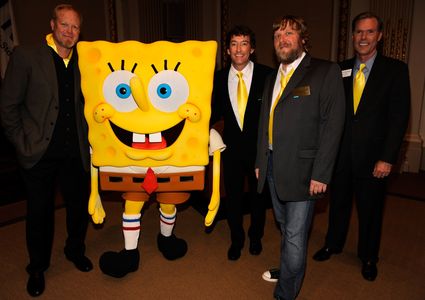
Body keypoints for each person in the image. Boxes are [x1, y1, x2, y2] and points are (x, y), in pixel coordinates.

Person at [0, 4, 93, 297]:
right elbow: (8, 107)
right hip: (39, 153)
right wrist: (21, 142)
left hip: (75, 152)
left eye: (75, 27)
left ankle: (74, 250)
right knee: (39, 214)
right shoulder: (26, 56)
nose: (70, 31)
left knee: (78, 208)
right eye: (64, 25)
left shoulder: (86, 61)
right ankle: (37, 267)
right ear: (53, 24)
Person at [312, 12, 410, 281]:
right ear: (353, 36)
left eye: (369, 32)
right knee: (338, 205)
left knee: (371, 211)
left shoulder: (395, 70)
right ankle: (333, 244)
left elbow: (399, 118)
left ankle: (368, 257)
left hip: (374, 158)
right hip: (340, 155)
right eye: (358, 32)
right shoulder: (338, 69)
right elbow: (327, 110)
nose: (363, 37)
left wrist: (388, 157)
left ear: (379, 36)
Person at [255, 16, 345, 299]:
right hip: (272, 166)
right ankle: (288, 269)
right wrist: (260, 161)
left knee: (294, 236)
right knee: (286, 229)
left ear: (303, 39)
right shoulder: (272, 77)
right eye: (278, 35)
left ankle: (285, 294)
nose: (283, 39)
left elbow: (333, 125)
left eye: (290, 33)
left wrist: (322, 173)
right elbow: (264, 123)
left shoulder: (324, 71)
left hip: (305, 171)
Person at [211, 25, 273, 260]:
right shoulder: (217, 78)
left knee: (259, 198)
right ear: (227, 50)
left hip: (259, 151)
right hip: (232, 150)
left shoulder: (267, 76)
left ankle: (255, 237)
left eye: (244, 43)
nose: (239, 49)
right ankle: (236, 239)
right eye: (234, 44)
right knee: (234, 198)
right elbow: (212, 112)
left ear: (252, 48)